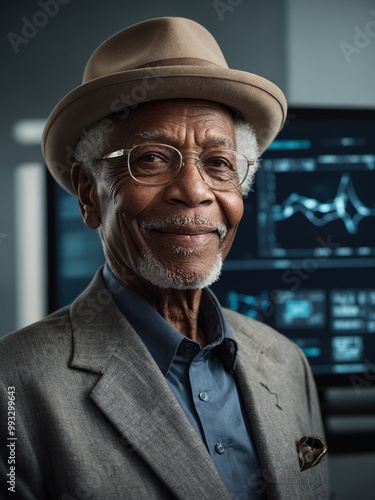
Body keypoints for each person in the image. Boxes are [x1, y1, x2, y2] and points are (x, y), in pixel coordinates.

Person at [0, 17, 329, 499]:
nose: (194, 192)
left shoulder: (285, 362)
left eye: (219, 164)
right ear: (89, 194)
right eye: (150, 158)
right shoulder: (12, 386)